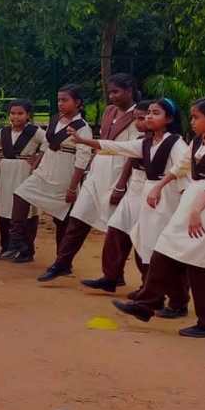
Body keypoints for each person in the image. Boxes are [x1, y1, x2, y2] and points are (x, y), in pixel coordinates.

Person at [112, 95, 205, 338]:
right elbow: (179, 167)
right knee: (164, 248)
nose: (191, 122)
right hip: (193, 200)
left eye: (196, 117)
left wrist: (197, 210)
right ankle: (145, 304)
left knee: (202, 265)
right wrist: (160, 186)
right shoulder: (198, 141)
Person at [37, 73, 139, 282]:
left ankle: (114, 275)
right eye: (109, 92)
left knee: (117, 229)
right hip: (98, 170)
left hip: (119, 172)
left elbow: (133, 152)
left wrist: (121, 184)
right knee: (78, 218)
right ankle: (62, 263)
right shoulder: (110, 111)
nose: (111, 97)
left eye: (116, 92)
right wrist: (90, 168)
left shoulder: (137, 116)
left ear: (129, 91)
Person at [70, 99, 154, 292]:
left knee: (144, 241)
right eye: (141, 117)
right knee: (115, 231)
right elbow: (115, 147)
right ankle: (111, 278)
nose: (143, 121)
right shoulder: (142, 142)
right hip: (134, 195)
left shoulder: (173, 143)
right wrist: (83, 141)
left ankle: (150, 289)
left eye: (149, 116)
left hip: (152, 198)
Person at [5, 85, 91, 264]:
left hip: (64, 173)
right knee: (21, 193)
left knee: (62, 221)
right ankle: (16, 241)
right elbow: (46, 144)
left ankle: (63, 261)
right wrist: (37, 161)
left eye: (64, 100)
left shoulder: (82, 128)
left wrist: (73, 187)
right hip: (45, 169)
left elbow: (83, 160)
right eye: (59, 100)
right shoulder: (55, 119)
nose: (60, 103)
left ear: (77, 103)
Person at [0, 99, 45, 260]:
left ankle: (27, 250)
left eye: (20, 113)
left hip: (25, 172)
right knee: (6, 209)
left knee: (26, 211)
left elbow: (49, 144)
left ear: (28, 115)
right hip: (7, 172)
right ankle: (6, 247)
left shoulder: (35, 132)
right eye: (13, 113)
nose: (16, 117)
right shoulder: (4, 132)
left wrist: (38, 158)